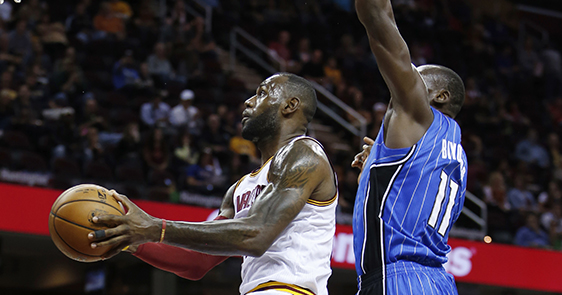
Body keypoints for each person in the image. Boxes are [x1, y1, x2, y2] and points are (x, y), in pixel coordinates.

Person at [88, 73, 338, 295]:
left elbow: (257, 235)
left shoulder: (305, 153)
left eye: (261, 93)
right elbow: (197, 261)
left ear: (290, 106)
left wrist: (155, 227)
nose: (248, 101)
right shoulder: (240, 187)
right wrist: (132, 239)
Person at [351, 0, 467, 294]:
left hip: (399, 279)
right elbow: (412, 195)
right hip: (437, 282)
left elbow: (379, 19)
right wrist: (375, 170)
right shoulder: (455, 150)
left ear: (440, 95)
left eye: (419, 78)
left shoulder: (417, 114)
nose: (408, 79)